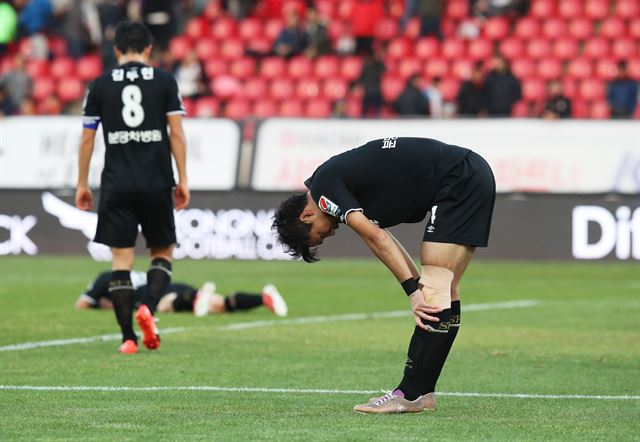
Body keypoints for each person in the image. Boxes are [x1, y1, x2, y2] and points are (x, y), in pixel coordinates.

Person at [273, 137, 495, 414]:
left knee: (435, 287)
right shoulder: (333, 187)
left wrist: (415, 292)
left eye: (320, 234)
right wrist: (416, 285)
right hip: (468, 174)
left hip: (459, 178)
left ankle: (408, 394)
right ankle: (423, 392)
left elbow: (376, 237)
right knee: (443, 290)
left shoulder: (324, 191)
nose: (330, 233)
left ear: (306, 216)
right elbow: (379, 237)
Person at [75, 21, 190, 355]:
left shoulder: (99, 84)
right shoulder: (165, 80)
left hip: (116, 184)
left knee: (121, 263)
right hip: (156, 181)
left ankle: (127, 339)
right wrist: (182, 179)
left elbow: (87, 137)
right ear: (149, 50)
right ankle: (148, 307)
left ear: (116, 51)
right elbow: (177, 134)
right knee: (162, 253)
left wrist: (82, 183)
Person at [74, 271, 288, 318]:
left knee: (167, 305)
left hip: (154, 294)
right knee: (221, 305)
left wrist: (99, 305)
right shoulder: (130, 275)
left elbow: (81, 305)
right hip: (170, 284)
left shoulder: (103, 280)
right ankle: (263, 298)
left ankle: (196, 298)